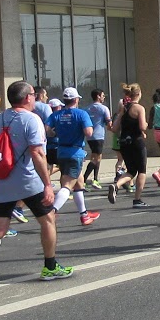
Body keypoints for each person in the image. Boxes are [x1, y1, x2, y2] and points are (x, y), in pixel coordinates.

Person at [0, 81, 71, 291]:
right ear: (27, 97)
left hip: (1, 179)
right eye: (33, 94)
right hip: (28, 180)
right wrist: (47, 184)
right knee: (48, 219)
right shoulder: (32, 119)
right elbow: (37, 153)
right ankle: (50, 266)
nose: (35, 97)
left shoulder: (0, 118)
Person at [50, 88, 96, 223]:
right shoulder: (81, 114)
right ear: (76, 100)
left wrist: (56, 133)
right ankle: (52, 211)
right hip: (75, 152)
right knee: (68, 185)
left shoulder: (56, 115)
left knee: (79, 182)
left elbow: (47, 129)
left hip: (61, 151)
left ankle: (84, 214)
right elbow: (89, 132)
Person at [109, 83, 149, 207]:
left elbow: (114, 128)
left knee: (131, 170)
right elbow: (142, 126)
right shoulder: (139, 108)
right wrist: (146, 125)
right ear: (138, 94)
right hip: (137, 141)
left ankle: (116, 185)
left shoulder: (123, 109)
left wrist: (121, 115)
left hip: (124, 143)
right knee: (141, 170)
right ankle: (137, 199)